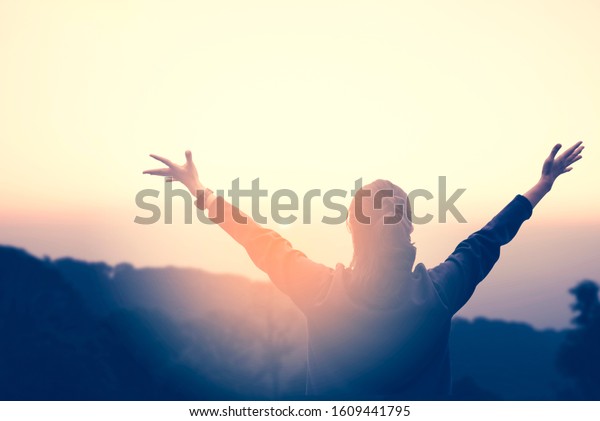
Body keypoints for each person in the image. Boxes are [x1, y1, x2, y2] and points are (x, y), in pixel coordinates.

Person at [143, 142, 584, 399]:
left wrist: (197, 190)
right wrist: (542, 184)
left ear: (353, 230)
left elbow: (258, 240)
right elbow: (488, 239)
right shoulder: (439, 293)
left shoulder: (319, 290)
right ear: (409, 227)